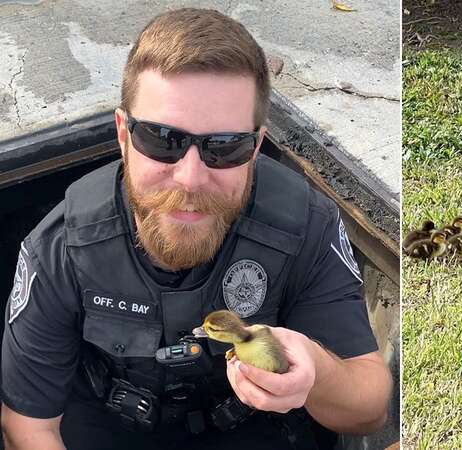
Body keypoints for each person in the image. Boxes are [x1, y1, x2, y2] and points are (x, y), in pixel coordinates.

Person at [1, 8, 391, 450]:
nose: (190, 177)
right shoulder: (59, 248)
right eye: (160, 139)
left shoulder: (307, 226)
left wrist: (314, 369)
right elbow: (29, 427)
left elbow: (369, 409)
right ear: (123, 135)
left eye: (225, 147)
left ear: (257, 145)